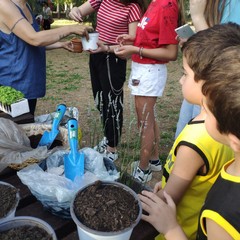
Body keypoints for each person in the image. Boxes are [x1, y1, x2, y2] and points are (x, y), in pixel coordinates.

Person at [139, 23, 240, 240]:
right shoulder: (227, 142)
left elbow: (169, 198)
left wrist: (172, 229)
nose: (180, 79)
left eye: (185, 73)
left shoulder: (223, 216)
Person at [114, 0, 185, 182]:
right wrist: (133, 39)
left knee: (144, 122)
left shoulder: (166, 5)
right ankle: (153, 160)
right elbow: (153, 39)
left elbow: (170, 53)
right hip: (142, 68)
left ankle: (143, 169)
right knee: (148, 118)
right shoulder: (154, 3)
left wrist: (136, 48)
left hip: (150, 70)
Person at [69, 0, 147, 161]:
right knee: (101, 102)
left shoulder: (132, 7)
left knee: (113, 103)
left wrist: (107, 48)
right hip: (96, 56)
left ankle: (112, 148)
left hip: (113, 59)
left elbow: (132, 41)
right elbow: (79, 11)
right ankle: (108, 137)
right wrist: (74, 11)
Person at [0, 0, 91, 116]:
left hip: (28, 83)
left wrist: (61, 44)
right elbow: (34, 38)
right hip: (12, 86)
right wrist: (69, 29)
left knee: (26, 128)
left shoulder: (25, 5)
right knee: (13, 131)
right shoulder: (4, 4)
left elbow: (26, 41)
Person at [174, 0, 240, 139]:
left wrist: (198, 16)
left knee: (197, 143)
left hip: (215, 93)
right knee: (184, 136)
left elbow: (223, 56)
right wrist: (194, 41)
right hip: (199, 87)